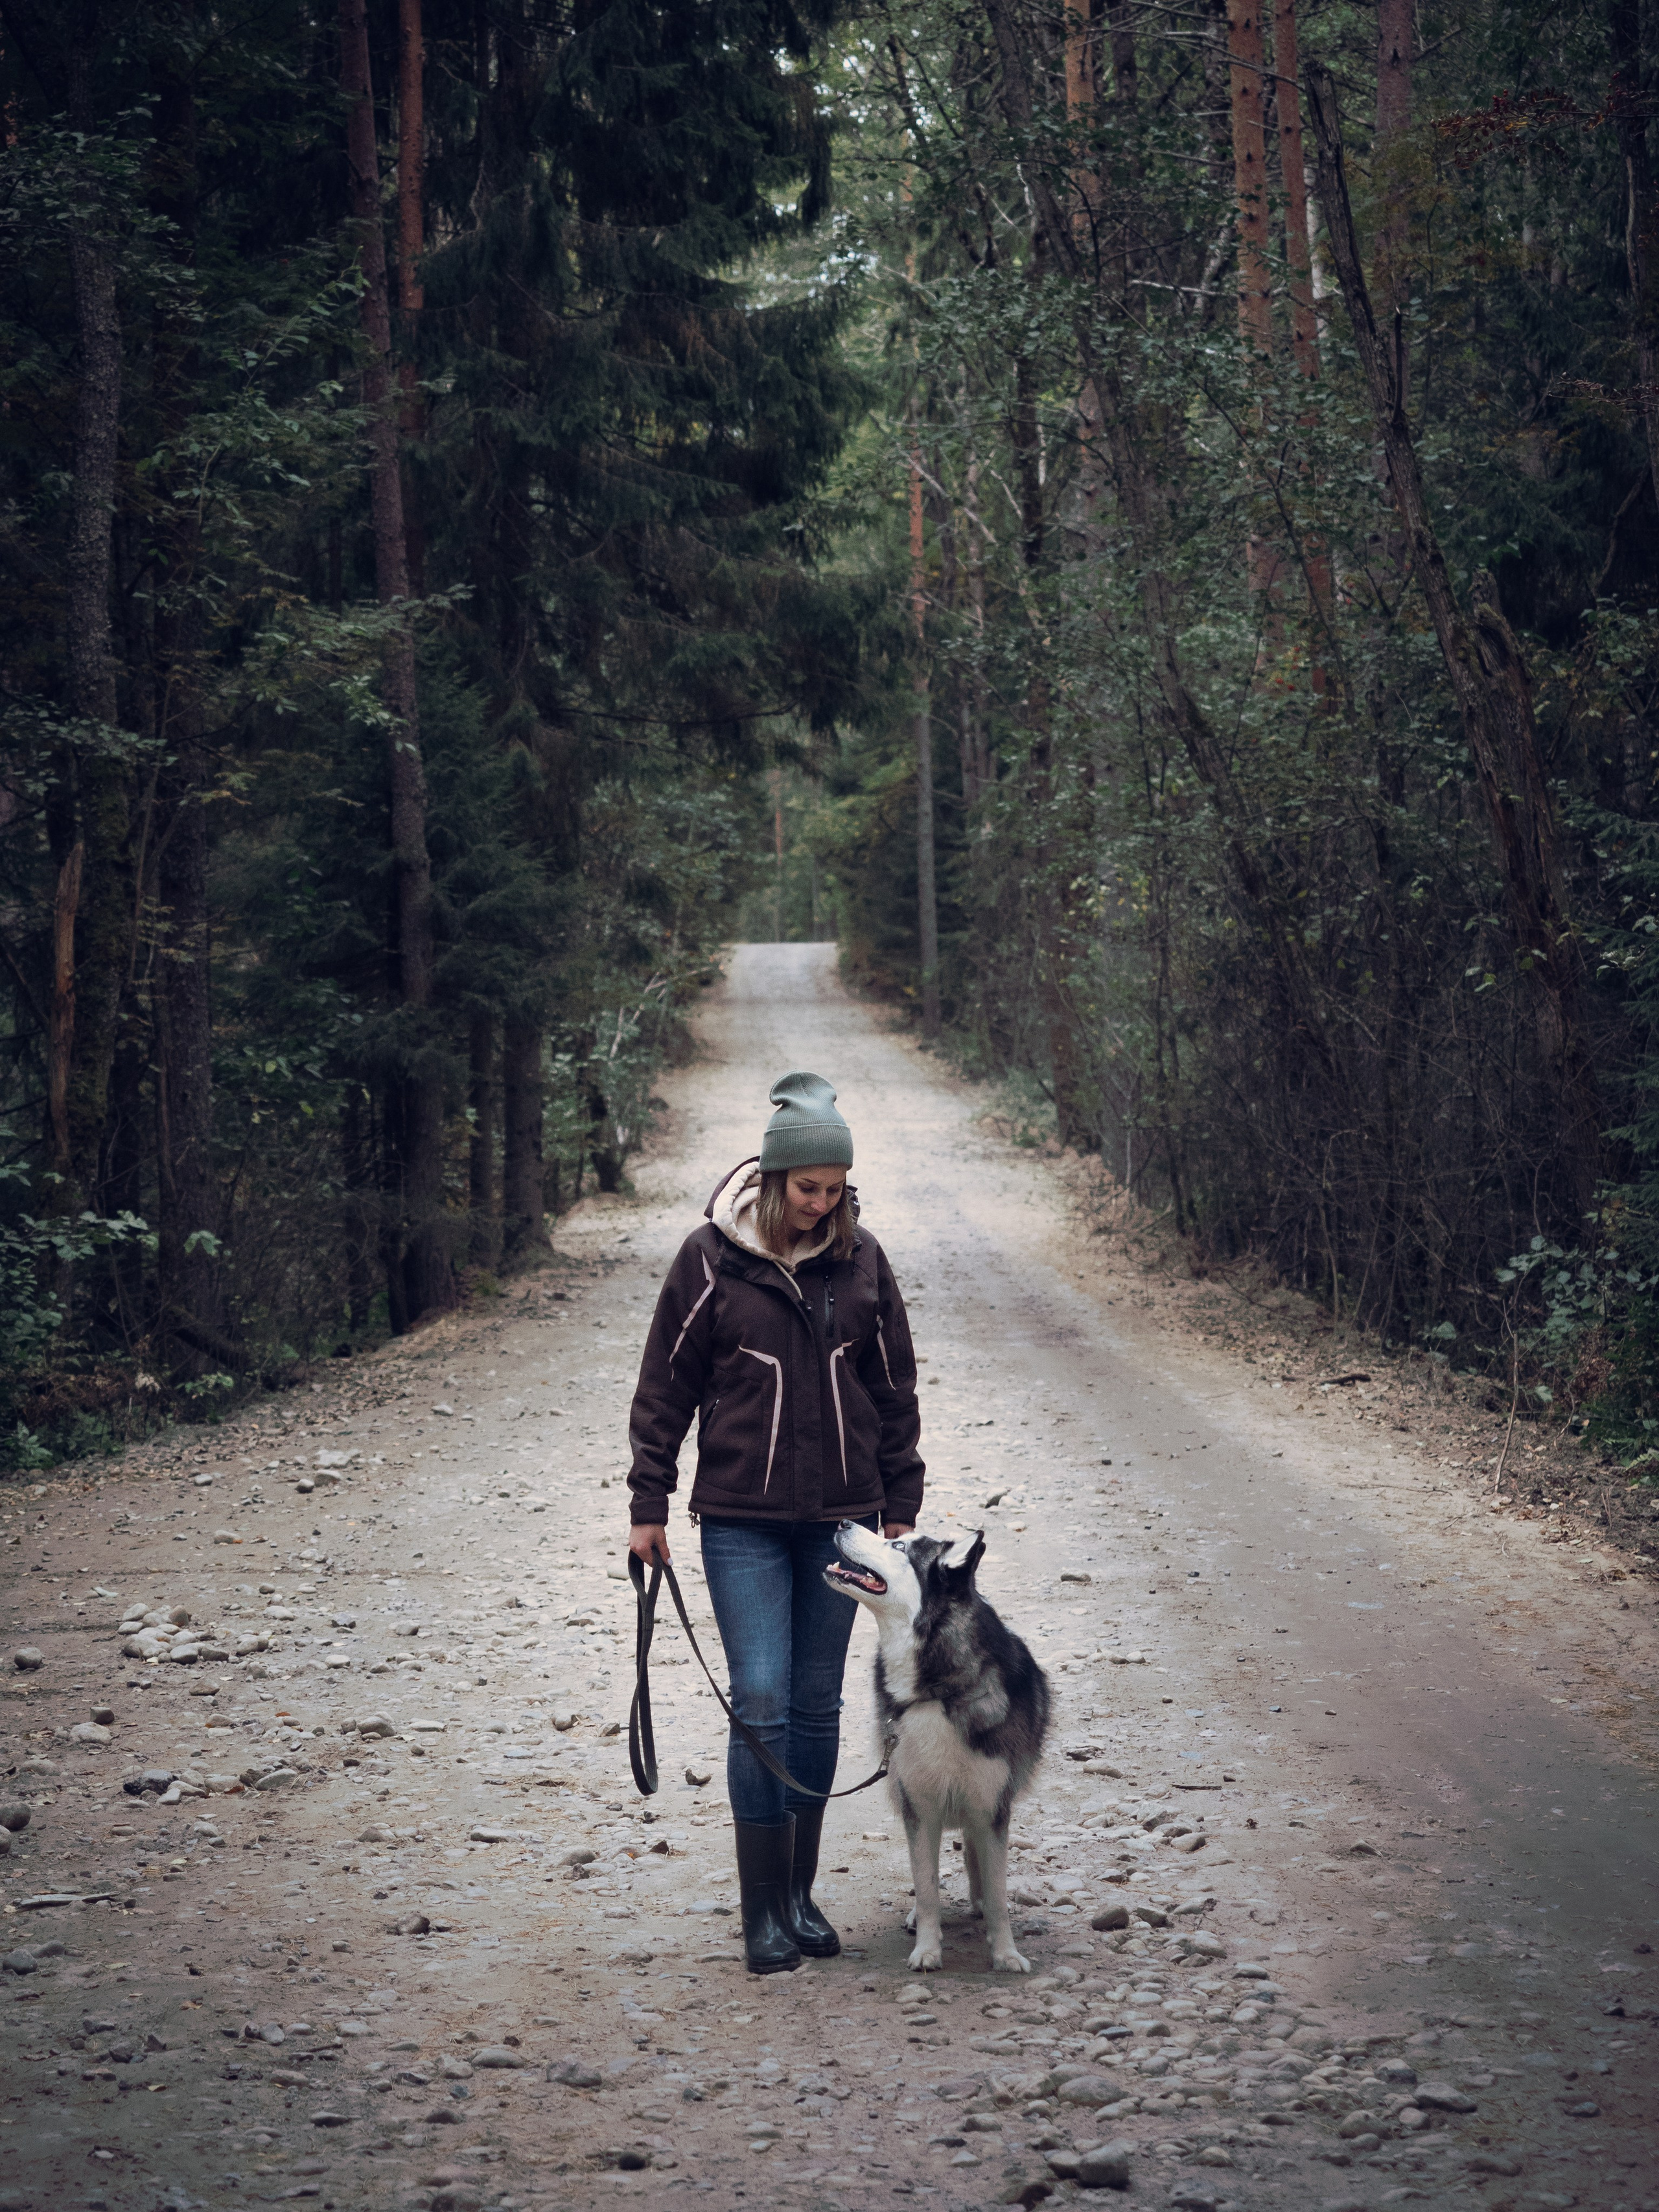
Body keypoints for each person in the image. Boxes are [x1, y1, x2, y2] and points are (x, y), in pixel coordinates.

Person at [625, 1071, 925, 1973]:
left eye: (835, 1190)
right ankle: (760, 1911)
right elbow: (664, 1388)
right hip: (742, 1519)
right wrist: (648, 1502)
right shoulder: (709, 1260)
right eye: (807, 1188)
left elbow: (893, 1390)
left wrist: (900, 1506)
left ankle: (799, 1894)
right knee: (759, 1696)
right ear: (773, 1178)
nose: (821, 1205)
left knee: (814, 1698)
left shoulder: (864, 1260)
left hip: (840, 1518)